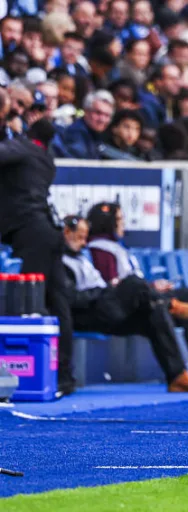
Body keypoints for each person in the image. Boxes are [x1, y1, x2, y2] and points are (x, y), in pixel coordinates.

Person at [60, 216, 188, 393]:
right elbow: (72, 299)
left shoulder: (80, 259)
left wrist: (106, 289)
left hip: (105, 306)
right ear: (66, 233)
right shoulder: (61, 263)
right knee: (132, 283)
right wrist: (104, 290)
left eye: (85, 237)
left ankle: (177, 377)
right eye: (80, 237)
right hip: (90, 312)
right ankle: (170, 304)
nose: (84, 243)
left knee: (154, 313)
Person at [0, 119, 77, 397]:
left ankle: (25, 374)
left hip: (32, 234)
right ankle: (64, 376)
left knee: (30, 303)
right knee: (58, 303)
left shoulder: (22, 148)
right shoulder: (47, 159)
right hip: (48, 232)